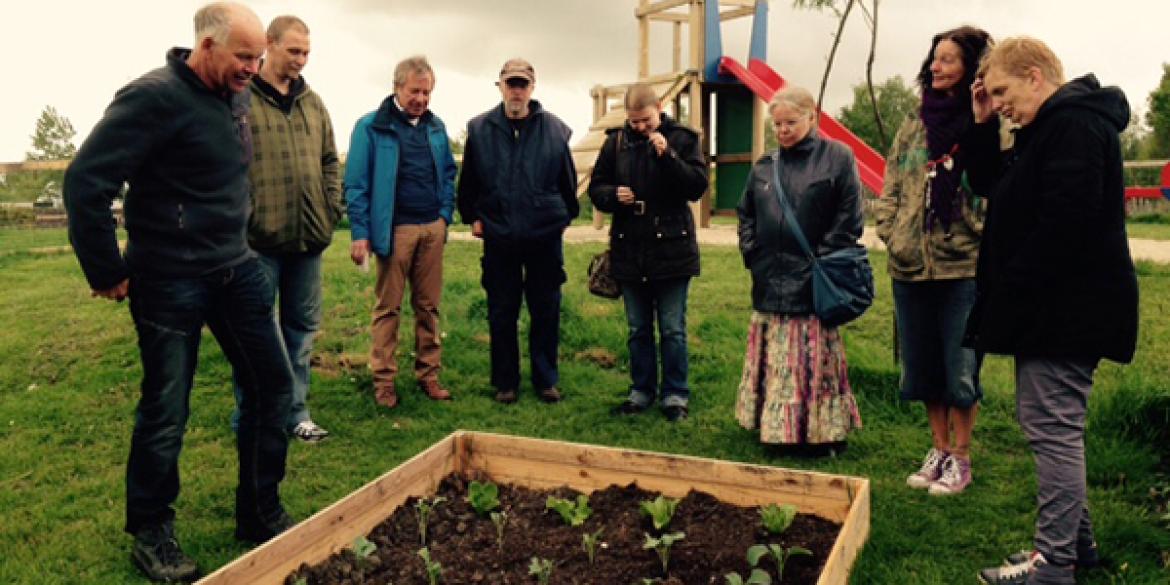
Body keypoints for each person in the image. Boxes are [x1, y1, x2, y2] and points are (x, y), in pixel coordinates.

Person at [63, 3, 297, 581]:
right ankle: (151, 531)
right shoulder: (152, 97)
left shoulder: (233, 94)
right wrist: (106, 268)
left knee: (274, 385)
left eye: (259, 57)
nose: (253, 67)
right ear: (207, 46)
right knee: (167, 407)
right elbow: (86, 182)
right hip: (168, 278)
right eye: (244, 56)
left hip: (235, 269)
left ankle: (260, 510)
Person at [966, 37, 1138, 585]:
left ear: (1035, 76)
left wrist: (1011, 286)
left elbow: (1068, 224)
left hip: (1067, 312)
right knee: (1052, 426)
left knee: (1053, 429)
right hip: (1052, 311)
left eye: (1003, 91)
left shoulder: (1076, 127)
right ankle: (1075, 548)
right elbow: (991, 183)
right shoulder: (1051, 128)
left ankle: (1053, 564)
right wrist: (980, 123)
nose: (1000, 104)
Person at [874, 26, 993, 495]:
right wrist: (891, 231)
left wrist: (977, 233)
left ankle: (961, 458)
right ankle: (939, 449)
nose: (937, 66)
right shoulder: (913, 123)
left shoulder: (984, 123)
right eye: (935, 58)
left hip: (961, 265)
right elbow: (890, 185)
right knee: (922, 367)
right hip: (910, 266)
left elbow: (992, 188)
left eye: (949, 59)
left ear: (971, 68)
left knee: (960, 368)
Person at [229, 14, 342, 442]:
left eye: (306, 53)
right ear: (269, 44)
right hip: (256, 243)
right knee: (256, 334)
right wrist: (243, 217)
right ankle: (253, 417)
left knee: (301, 333)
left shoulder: (313, 103)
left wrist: (330, 209)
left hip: (308, 240)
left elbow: (330, 161)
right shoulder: (240, 99)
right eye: (293, 51)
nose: (301, 60)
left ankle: (296, 414)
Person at [734, 86, 863, 454]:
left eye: (791, 122)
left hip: (814, 279)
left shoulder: (838, 157)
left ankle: (820, 434)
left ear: (812, 117)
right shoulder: (764, 165)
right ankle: (775, 430)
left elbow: (849, 217)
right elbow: (746, 213)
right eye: (777, 124)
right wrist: (752, 254)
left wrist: (820, 261)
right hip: (769, 278)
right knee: (775, 360)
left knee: (812, 361)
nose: (784, 130)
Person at [456, 58, 579, 405]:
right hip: (499, 236)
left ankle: (546, 380)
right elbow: (470, 184)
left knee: (546, 310)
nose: (516, 90)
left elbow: (568, 186)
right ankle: (505, 381)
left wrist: (559, 221)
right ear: (500, 86)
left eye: (522, 84)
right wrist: (472, 217)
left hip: (543, 238)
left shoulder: (556, 130)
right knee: (501, 310)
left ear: (532, 88)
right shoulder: (479, 129)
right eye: (511, 83)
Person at [587, 82, 708, 422]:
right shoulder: (616, 143)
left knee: (672, 328)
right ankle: (640, 391)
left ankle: (675, 395)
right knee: (638, 328)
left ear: (659, 107)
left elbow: (696, 187)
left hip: (672, 246)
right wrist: (613, 195)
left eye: (646, 120)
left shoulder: (684, 138)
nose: (640, 127)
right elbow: (596, 188)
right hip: (630, 246)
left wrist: (667, 155)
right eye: (635, 121)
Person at [346, 55, 458, 409]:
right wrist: (360, 233)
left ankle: (429, 375)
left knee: (429, 307)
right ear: (397, 87)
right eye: (415, 91)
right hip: (395, 232)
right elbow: (356, 183)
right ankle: (384, 380)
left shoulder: (436, 127)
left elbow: (449, 173)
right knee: (388, 309)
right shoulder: (370, 127)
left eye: (427, 93)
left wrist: (443, 216)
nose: (421, 100)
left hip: (432, 229)